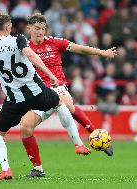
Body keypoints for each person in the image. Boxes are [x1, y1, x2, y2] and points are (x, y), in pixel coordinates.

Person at [0, 13, 88, 180]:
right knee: (59, 103)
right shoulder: (18, 39)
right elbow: (31, 55)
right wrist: (50, 74)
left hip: (15, 100)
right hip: (37, 92)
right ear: (7, 27)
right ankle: (78, 144)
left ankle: (6, 170)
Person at [20, 13, 117, 177]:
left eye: (43, 29)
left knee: (65, 103)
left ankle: (94, 136)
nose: (40, 32)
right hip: (37, 94)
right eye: (37, 28)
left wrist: (103, 53)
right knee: (25, 127)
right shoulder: (23, 48)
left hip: (57, 86)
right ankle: (38, 169)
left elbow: (80, 48)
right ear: (29, 28)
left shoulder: (54, 42)